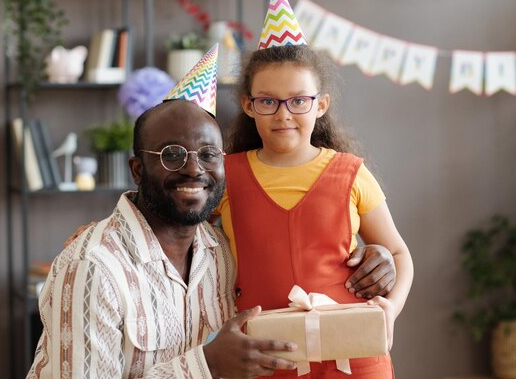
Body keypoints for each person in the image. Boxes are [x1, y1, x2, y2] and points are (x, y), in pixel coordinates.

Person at [27, 46, 397, 379]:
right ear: (138, 169)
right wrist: (206, 366)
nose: (193, 170)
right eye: (172, 154)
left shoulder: (219, 255)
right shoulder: (95, 267)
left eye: (207, 155)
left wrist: (378, 255)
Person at [213, 0, 414, 378]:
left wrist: (391, 307)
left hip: (354, 354)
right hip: (267, 356)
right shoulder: (226, 175)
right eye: (268, 101)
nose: (283, 114)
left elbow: (400, 253)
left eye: (298, 100)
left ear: (320, 104)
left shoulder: (351, 173)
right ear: (248, 105)